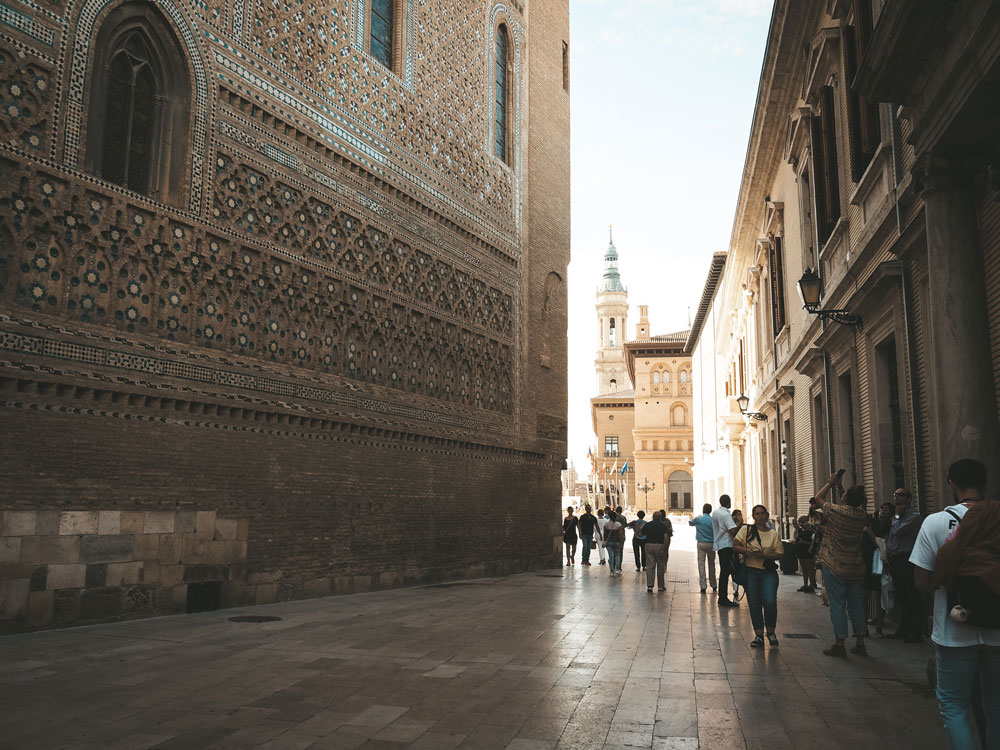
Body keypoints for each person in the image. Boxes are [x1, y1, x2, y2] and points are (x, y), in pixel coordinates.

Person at [911, 458, 999, 750]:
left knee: (953, 705)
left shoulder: (935, 522)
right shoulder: (997, 516)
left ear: (952, 483)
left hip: (954, 627)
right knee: (996, 709)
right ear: (984, 483)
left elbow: (922, 583)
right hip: (998, 627)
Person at [814, 472, 869, 657]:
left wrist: (830, 482)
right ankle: (860, 643)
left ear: (846, 499)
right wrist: (839, 487)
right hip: (855, 566)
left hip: (835, 564)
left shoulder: (836, 512)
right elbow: (848, 505)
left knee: (837, 605)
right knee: (856, 604)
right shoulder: (862, 515)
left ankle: (840, 644)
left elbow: (818, 498)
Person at [733, 505, 783, 647]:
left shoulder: (773, 534)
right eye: (757, 514)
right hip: (751, 571)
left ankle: (771, 632)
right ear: (753, 516)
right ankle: (759, 635)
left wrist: (764, 555)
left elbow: (780, 553)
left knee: (770, 602)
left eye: (762, 514)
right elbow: (735, 545)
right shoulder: (746, 530)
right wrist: (746, 551)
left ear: (767, 516)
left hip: (768, 573)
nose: (760, 516)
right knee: (754, 603)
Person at [886, 487, 924, 642]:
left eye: (901, 495)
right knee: (902, 595)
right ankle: (904, 628)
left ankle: (916, 632)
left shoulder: (914, 517)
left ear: (908, 499)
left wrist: (896, 516)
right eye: (895, 494)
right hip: (895, 559)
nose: (897, 497)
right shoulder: (897, 515)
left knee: (911, 595)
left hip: (906, 560)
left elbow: (898, 531)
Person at [712, 494, 739, 607]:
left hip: (719, 544)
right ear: (729, 502)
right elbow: (733, 530)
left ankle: (722, 597)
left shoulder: (716, 512)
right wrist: (738, 522)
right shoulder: (726, 515)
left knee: (724, 571)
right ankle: (723, 598)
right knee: (726, 572)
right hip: (727, 544)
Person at [689, 504, 717, 594]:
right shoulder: (713, 520)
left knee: (701, 565)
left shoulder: (699, 519)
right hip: (711, 544)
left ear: (703, 510)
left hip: (701, 543)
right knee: (711, 564)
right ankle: (713, 584)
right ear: (710, 510)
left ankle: (703, 586)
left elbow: (690, 523)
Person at [641, 510, 672, 592]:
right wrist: (664, 548)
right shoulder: (663, 526)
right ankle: (661, 586)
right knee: (660, 566)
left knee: (650, 566)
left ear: (653, 517)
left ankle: (650, 586)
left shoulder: (648, 524)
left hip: (649, 545)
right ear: (660, 518)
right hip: (659, 546)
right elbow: (666, 537)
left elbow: (641, 533)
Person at [793, 515, 817, 592]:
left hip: (808, 551)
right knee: (804, 569)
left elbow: (813, 543)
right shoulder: (800, 530)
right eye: (799, 523)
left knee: (809, 569)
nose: (800, 524)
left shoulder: (811, 531)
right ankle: (805, 584)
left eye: (802, 522)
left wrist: (803, 542)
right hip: (801, 551)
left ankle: (811, 585)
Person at [604, 511, 624, 577]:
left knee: (611, 556)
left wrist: (604, 541)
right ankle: (617, 569)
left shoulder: (606, 524)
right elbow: (621, 535)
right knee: (617, 556)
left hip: (609, 542)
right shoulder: (619, 525)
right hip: (617, 542)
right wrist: (621, 543)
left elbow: (605, 534)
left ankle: (611, 571)